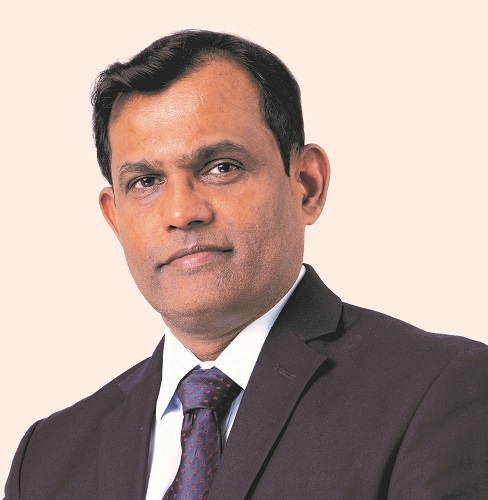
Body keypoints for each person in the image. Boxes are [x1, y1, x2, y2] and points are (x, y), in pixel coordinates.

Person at [5, 29, 488, 500]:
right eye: (146, 181)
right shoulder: (47, 459)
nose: (182, 212)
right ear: (115, 218)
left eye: (222, 168)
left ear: (307, 184)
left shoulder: (441, 391)